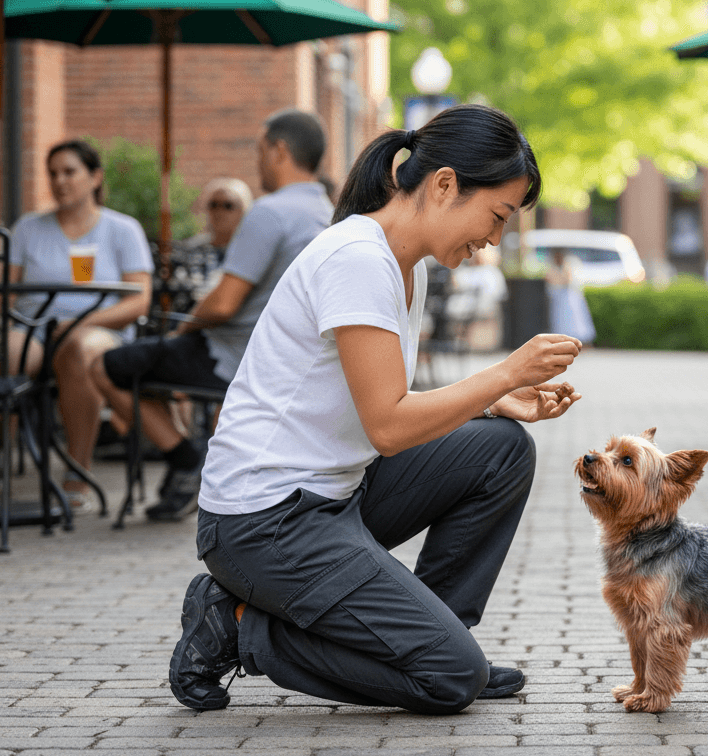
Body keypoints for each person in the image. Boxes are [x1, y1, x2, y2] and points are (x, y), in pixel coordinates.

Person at [167, 104, 582, 716]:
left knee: (500, 450)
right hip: (264, 523)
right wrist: (504, 371)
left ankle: (438, 634)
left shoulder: (400, 265)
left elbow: (381, 412)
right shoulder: (357, 259)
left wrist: (494, 399)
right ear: (444, 185)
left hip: (335, 497)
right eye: (496, 216)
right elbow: (389, 426)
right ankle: (236, 623)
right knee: (448, 681)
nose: (494, 239)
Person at [91, 109, 333, 522]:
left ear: (279, 151)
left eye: (259, 151)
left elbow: (222, 304)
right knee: (152, 367)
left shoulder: (269, 211)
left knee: (106, 365)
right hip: (291, 361)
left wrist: (183, 330)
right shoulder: (329, 213)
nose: (257, 162)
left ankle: (186, 462)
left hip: (233, 356)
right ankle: (186, 458)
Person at [8, 139, 153, 507]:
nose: (60, 181)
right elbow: (6, 293)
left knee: (79, 349)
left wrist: (81, 322)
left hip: (101, 329)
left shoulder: (122, 229)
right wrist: (8, 320)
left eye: (69, 172)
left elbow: (139, 299)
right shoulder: (28, 228)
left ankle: (77, 469)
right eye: (53, 173)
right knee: (7, 354)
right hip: (35, 325)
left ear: (94, 177)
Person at [545, 247, 597, 343]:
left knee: (575, 322)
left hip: (569, 299)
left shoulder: (569, 264)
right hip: (558, 301)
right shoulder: (551, 267)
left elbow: (567, 279)